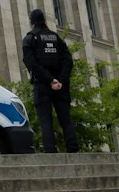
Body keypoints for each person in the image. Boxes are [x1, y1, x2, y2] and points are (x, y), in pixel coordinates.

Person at [22, 8, 79, 153]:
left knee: (45, 120)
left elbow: (32, 64)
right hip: (61, 85)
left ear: (31, 22)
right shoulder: (56, 38)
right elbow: (68, 60)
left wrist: (50, 80)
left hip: (43, 84)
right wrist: (60, 80)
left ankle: (50, 150)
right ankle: (73, 149)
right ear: (44, 21)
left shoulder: (30, 39)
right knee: (66, 119)